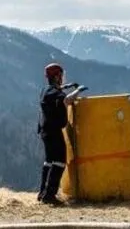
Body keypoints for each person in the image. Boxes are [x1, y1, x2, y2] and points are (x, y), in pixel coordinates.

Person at [37, 63, 83, 205]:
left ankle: (42, 192)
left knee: (49, 161)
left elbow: (57, 92)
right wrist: (77, 91)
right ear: (57, 76)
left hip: (45, 131)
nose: (62, 78)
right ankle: (50, 195)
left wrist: (67, 86)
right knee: (59, 161)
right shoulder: (55, 94)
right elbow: (65, 100)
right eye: (61, 76)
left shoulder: (46, 90)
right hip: (54, 131)